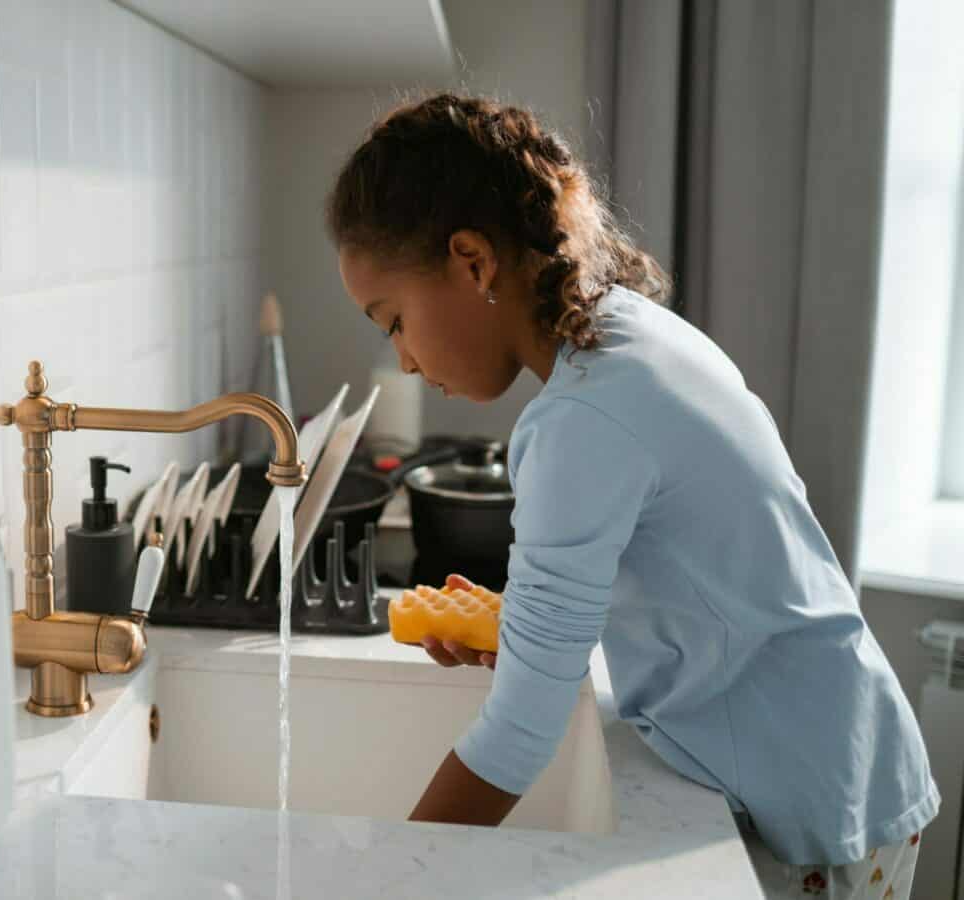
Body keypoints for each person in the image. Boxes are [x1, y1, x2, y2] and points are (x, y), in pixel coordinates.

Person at [325, 91, 938, 899]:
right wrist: (531, 628)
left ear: (473, 262)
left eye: (392, 319)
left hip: (813, 806)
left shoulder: (578, 418)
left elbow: (517, 736)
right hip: (846, 755)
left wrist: (385, 881)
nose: (402, 358)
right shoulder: (628, 336)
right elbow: (704, 570)